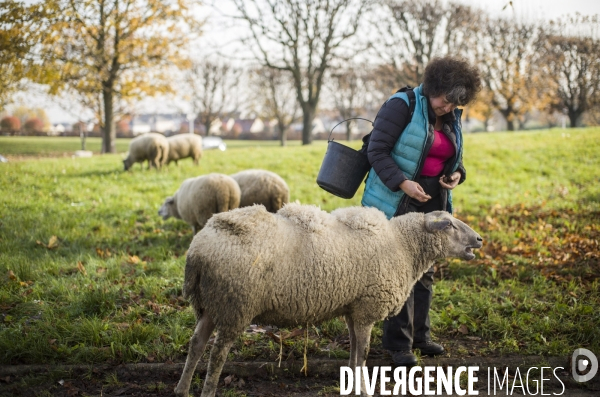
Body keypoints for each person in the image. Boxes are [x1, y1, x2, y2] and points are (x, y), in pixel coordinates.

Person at [361, 56, 481, 366]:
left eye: (454, 104)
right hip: (397, 197)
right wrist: (403, 183)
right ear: (432, 87)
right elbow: (376, 150)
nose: (448, 108)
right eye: (445, 101)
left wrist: (457, 174)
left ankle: (420, 336)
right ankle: (398, 345)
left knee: (425, 269)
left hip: (432, 197)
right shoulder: (402, 105)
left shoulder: (452, 115)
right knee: (399, 272)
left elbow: (452, 155)